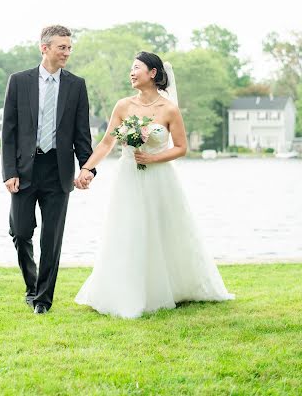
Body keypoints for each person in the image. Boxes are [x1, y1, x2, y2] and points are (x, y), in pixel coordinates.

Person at [74, 52, 234, 318]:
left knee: (164, 230)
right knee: (127, 229)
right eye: (131, 68)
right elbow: (106, 143)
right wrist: (88, 168)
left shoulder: (169, 109)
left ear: (153, 73)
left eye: (137, 68)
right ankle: (123, 291)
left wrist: (153, 157)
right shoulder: (123, 106)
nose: (132, 73)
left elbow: (182, 148)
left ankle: (171, 286)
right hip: (128, 178)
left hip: (160, 179)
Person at [2, 25, 95, 314]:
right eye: (62, 47)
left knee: (51, 238)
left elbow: (82, 134)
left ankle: (43, 299)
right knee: (20, 231)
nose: (67, 52)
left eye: (69, 47)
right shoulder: (19, 82)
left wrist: (88, 168)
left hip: (58, 171)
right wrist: (9, 172)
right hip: (25, 169)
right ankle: (32, 285)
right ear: (45, 48)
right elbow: (9, 131)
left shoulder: (76, 85)